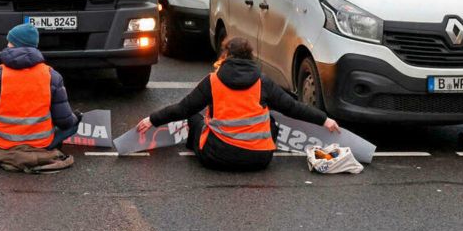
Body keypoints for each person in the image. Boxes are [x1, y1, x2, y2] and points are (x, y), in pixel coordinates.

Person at [136, 37, 340, 171]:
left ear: (226, 56)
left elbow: (182, 109)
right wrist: (325, 120)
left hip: (216, 157)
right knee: (269, 117)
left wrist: (151, 119)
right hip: (259, 159)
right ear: (250, 57)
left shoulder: (213, 81)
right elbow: (293, 108)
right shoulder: (263, 82)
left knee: (194, 117)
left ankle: (193, 145)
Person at [0, 23, 80, 173]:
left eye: (9, 41)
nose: (7, 44)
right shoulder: (52, 76)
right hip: (42, 143)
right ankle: (41, 150)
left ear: (14, 45)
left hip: (5, 142)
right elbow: (64, 122)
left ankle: (11, 149)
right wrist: (75, 118)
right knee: (74, 122)